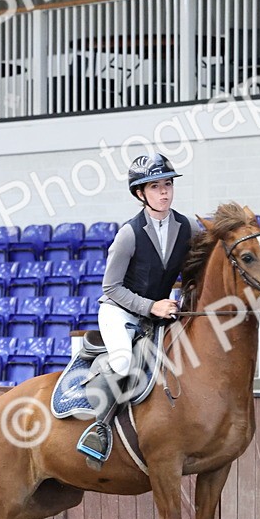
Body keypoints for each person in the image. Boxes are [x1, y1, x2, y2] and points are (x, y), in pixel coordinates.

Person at [77, 152, 193, 461]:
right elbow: (111, 288)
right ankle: (99, 429)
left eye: (167, 184)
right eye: (155, 187)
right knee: (123, 362)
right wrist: (151, 306)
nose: (164, 192)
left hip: (160, 311)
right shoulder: (128, 234)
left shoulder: (186, 227)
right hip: (120, 310)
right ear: (140, 193)